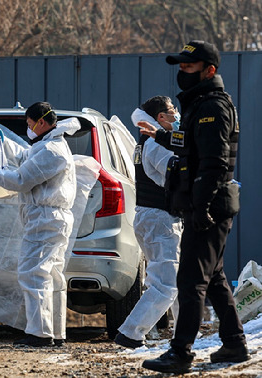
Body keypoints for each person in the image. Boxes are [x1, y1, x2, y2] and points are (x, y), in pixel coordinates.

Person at [139, 41, 249, 374]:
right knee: (212, 277)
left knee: (190, 279)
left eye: (189, 67)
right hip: (206, 205)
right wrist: (159, 136)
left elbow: (213, 163)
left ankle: (181, 352)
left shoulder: (214, 106)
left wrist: (201, 208)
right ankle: (234, 343)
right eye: (181, 66)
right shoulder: (199, 104)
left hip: (209, 207)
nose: (182, 72)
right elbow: (189, 144)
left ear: (209, 70)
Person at [0, 102, 77, 347]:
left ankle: (39, 333)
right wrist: (4, 144)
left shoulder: (53, 150)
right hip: (50, 219)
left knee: (33, 273)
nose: (28, 129)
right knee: (52, 276)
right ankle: (55, 332)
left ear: (42, 122)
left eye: (29, 124)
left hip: (45, 219)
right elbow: (25, 157)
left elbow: (22, 179)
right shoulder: (47, 145)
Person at [114, 96, 183, 349]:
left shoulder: (145, 144)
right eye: (172, 111)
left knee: (178, 281)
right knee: (165, 285)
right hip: (159, 220)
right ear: (160, 118)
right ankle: (130, 333)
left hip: (154, 218)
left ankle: (187, 333)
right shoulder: (156, 145)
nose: (177, 115)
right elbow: (175, 175)